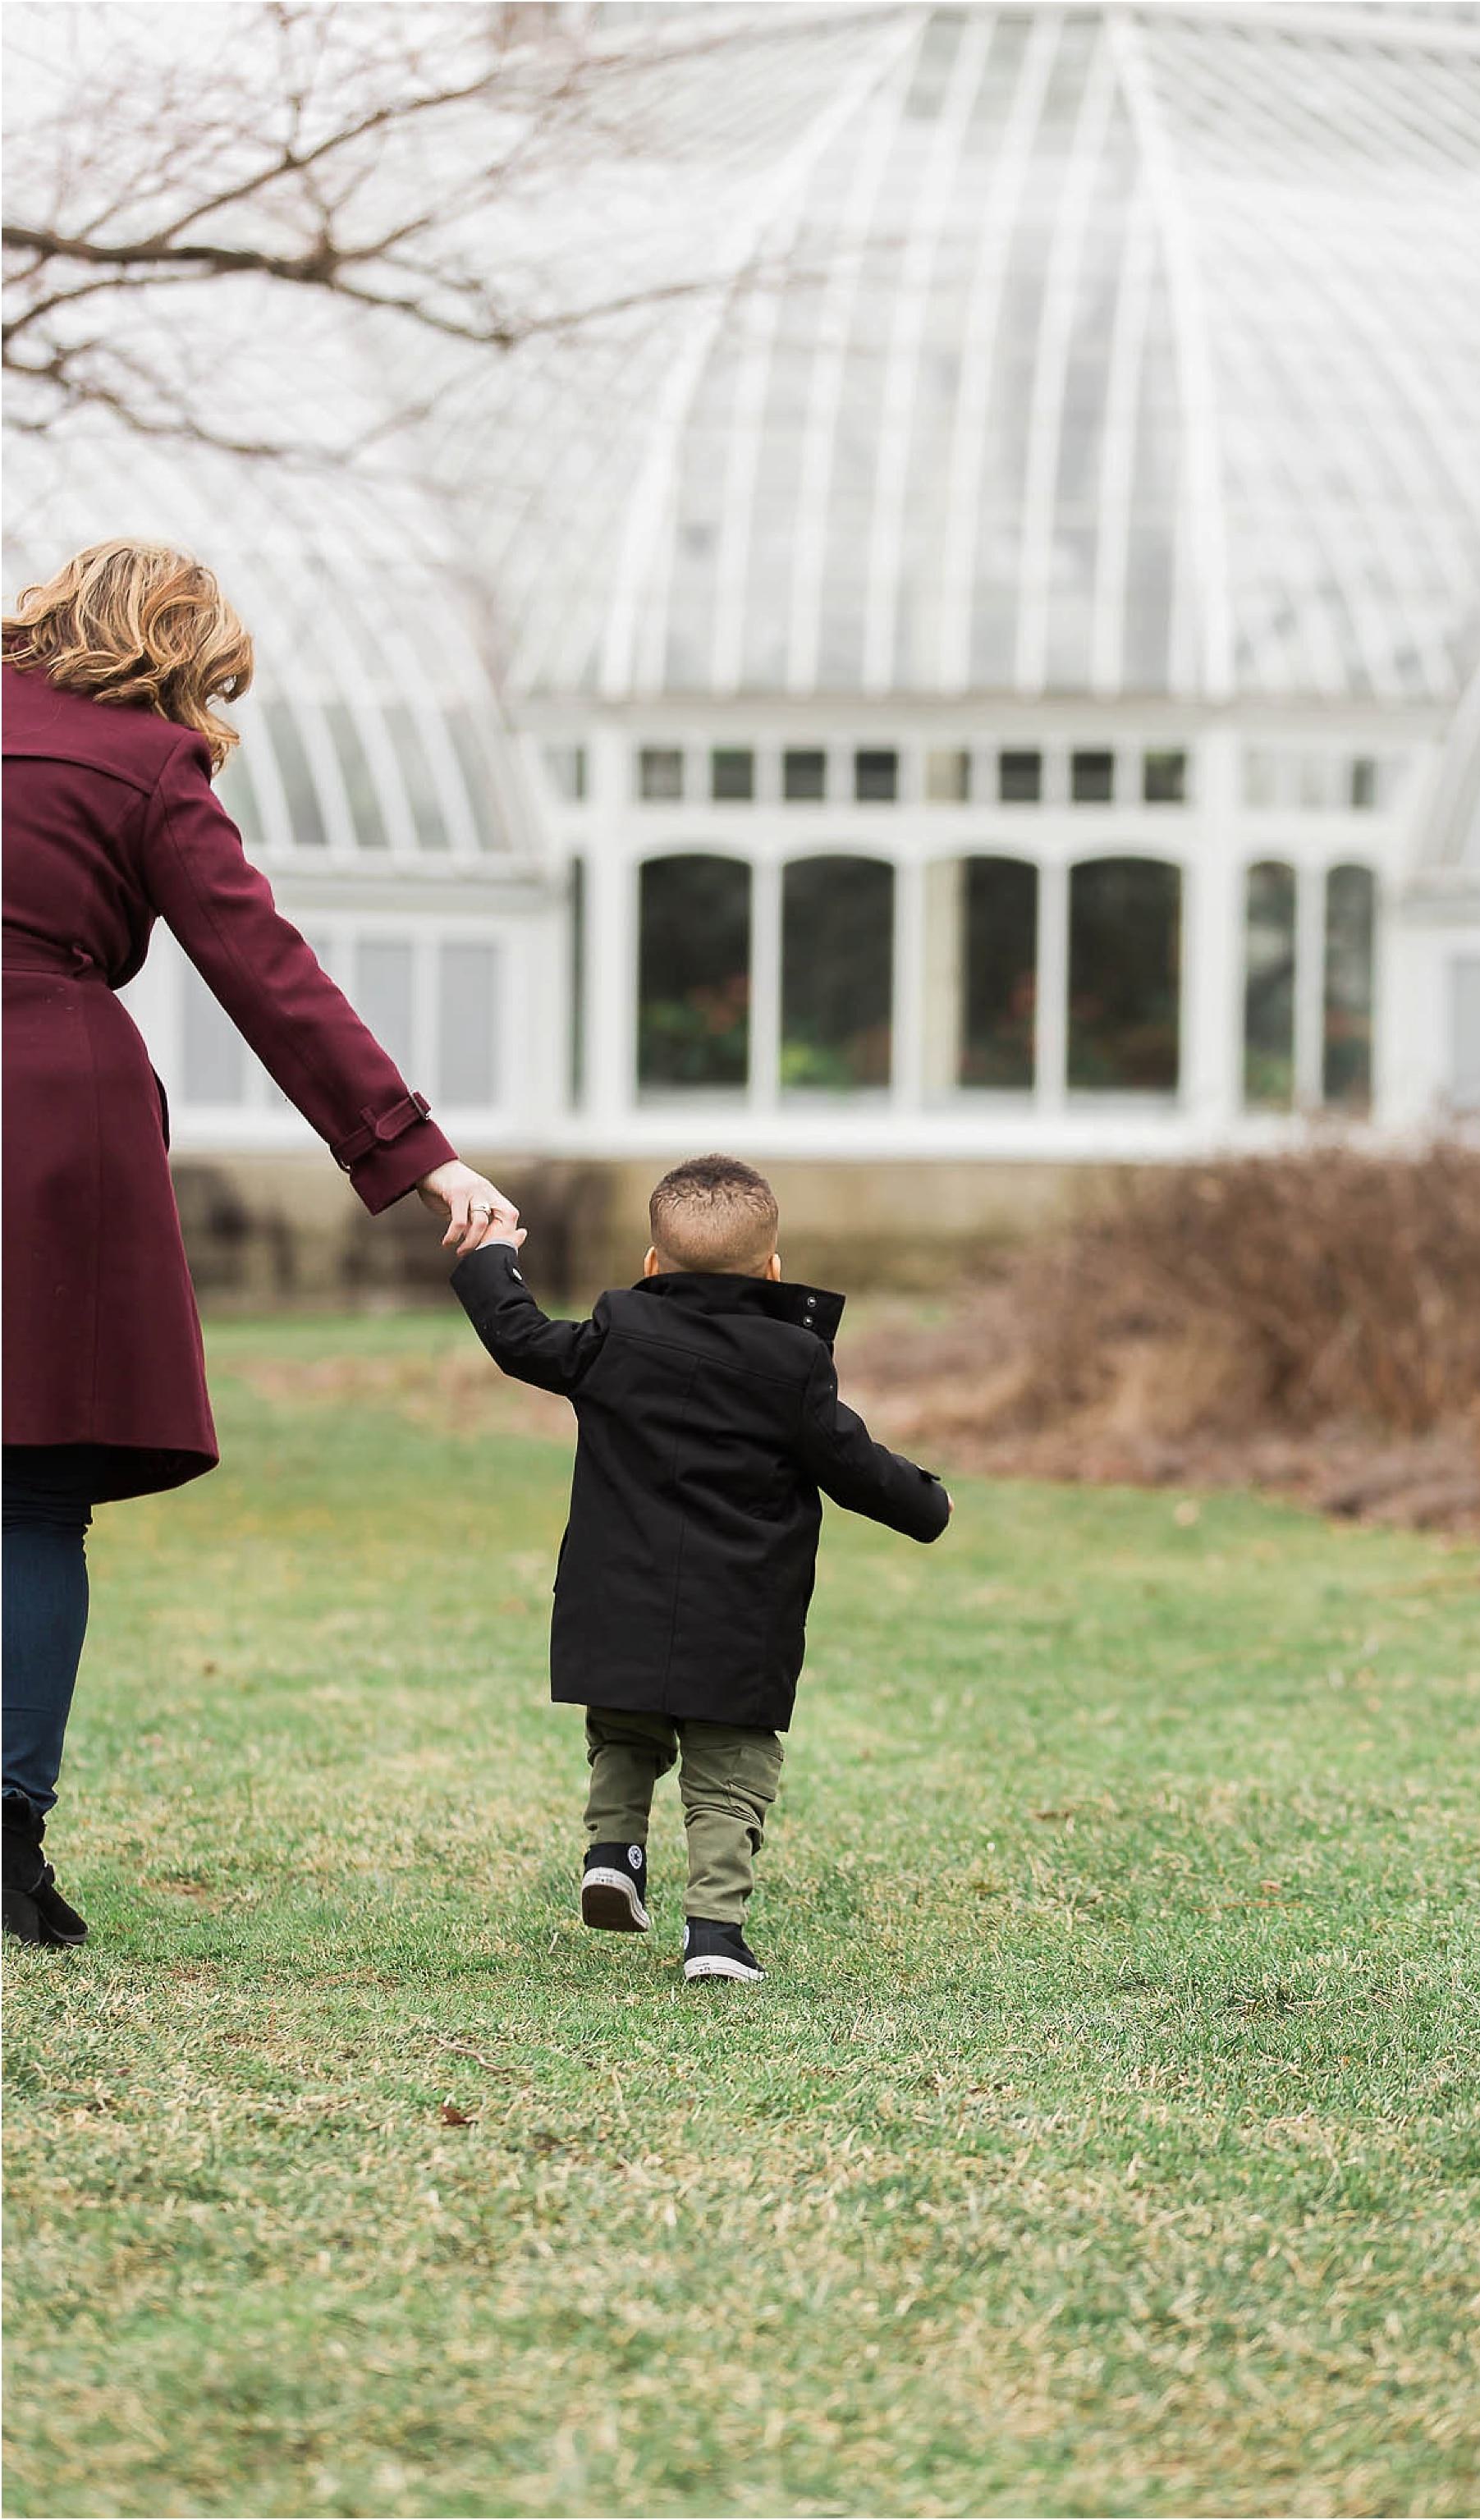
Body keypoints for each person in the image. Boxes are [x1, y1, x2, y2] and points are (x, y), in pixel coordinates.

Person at [2, 539, 522, 1947]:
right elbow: (266, 973)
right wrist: (418, 1155)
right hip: (51, 1117)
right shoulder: (147, 766)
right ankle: (5, 1846)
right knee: (34, 1499)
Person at [451, 1152, 951, 1983]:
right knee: (730, 1769)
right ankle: (714, 1937)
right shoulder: (790, 1365)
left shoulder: (615, 1332)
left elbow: (520, 1339)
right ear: (773, 1269)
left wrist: (489, 1256)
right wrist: (927, 1504)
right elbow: (851, 1461)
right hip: (738, 1610)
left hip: (618, 1597)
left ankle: (613, 1852)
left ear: (652, 1265)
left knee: (623, 1732)